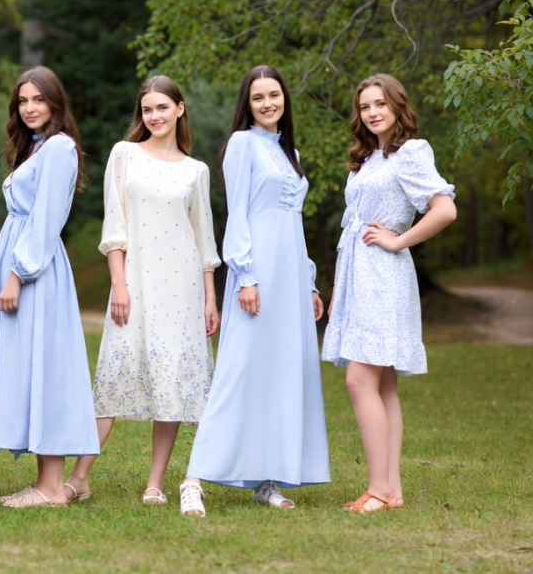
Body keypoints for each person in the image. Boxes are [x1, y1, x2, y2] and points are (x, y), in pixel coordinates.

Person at [180, 65, 328, 518]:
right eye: (258, 97)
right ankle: (192, 480)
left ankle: (267, 480)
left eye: (274, 95)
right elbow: (238, 212)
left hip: (290, 276)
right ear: (247, 103)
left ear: (285, 99)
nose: (268, 103)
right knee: (238, 370)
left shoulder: (289, 151)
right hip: (257, 272)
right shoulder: (242, 144)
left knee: (282, 371)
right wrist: (245, 275)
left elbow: (293, 223)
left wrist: (308, 282)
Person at [65, 76, 220, 506]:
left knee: (171, 382)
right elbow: (114, 226)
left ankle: (155, 482)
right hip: (134, 283)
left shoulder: (196, 170)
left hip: (183, 288)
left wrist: (210, 298)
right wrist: (119, 284)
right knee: (112, 375)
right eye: (147, 109)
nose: (154, 116)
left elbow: (203, 238)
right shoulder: (125, 154)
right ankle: (78, 478)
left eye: (162, 108)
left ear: (180, 109)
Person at [323, 73, 456, 513]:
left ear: (398, 106)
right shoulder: (369, 159)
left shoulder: (410, 153)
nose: (372, 112)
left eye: (380, 103)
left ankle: (379, 489)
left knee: (359, 380)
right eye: (365, 106)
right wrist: (341, 285)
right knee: (381, 385)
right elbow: (353, 225)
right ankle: (390, 491)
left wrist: (398, 241)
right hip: (358, 275)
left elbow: (445, 209)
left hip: (383, 275)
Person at [0, 66, 99, 508]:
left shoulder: (59, 147)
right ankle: (45, 480)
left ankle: (51, 486)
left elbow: (45, 221)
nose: (29, 108)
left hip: (35, 271)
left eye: (38, 100)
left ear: (55, 103)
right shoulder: (37, 148)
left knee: (46, 368)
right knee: (31, 368)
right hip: (22, 261)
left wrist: (16, 275)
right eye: (23, 101)